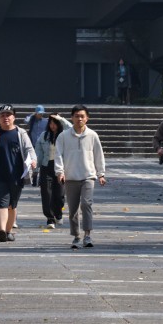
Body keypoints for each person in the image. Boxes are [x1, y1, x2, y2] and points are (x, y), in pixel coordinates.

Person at [0, 104, 37, 242]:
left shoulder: (20, 133)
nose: (5, 118)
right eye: (2, 115)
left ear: (14, 117)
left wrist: (33, 160)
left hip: (17, 176)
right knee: (1, 203)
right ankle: (2, 231)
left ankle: (9, 231)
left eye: (8, 115)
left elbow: (30, 149)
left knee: (12, 205)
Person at [55, 105, 107, 249]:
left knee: (86, 204)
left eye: (82, 116)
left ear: (87, 118)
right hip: (70, 177)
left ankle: (87, 235)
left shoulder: (92, 135)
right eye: (77, 116)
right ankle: (76, 236)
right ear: (71, 118)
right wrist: (60, 172)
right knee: (73, 209)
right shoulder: (63, 136)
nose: (79, 119)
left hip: (88, 177)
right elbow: (58, 155)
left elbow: (98, 155)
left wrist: (101, 173)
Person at [36, 113, 71, 228]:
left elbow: (71, 127)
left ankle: (58, 214)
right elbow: (39, 152)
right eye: (50, 123)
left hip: (61, 167)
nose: (52, 126)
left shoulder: (65, 135)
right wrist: (36, 169)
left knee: (59, 194)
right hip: (47, 166)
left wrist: (60, 118)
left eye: (55, 123)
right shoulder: (44, 136)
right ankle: (50, 218)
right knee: (46, 193)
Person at [25, 106, 48, 186]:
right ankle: (34, 179)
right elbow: (26, 120)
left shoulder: (45, 121)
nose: (40, 115)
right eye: (39, 113)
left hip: (43, 144)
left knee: (42, 162)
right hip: (33, 144)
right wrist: (33, 115)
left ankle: (41, 180)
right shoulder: (32, 121)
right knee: (34, 162)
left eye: (42, 114)